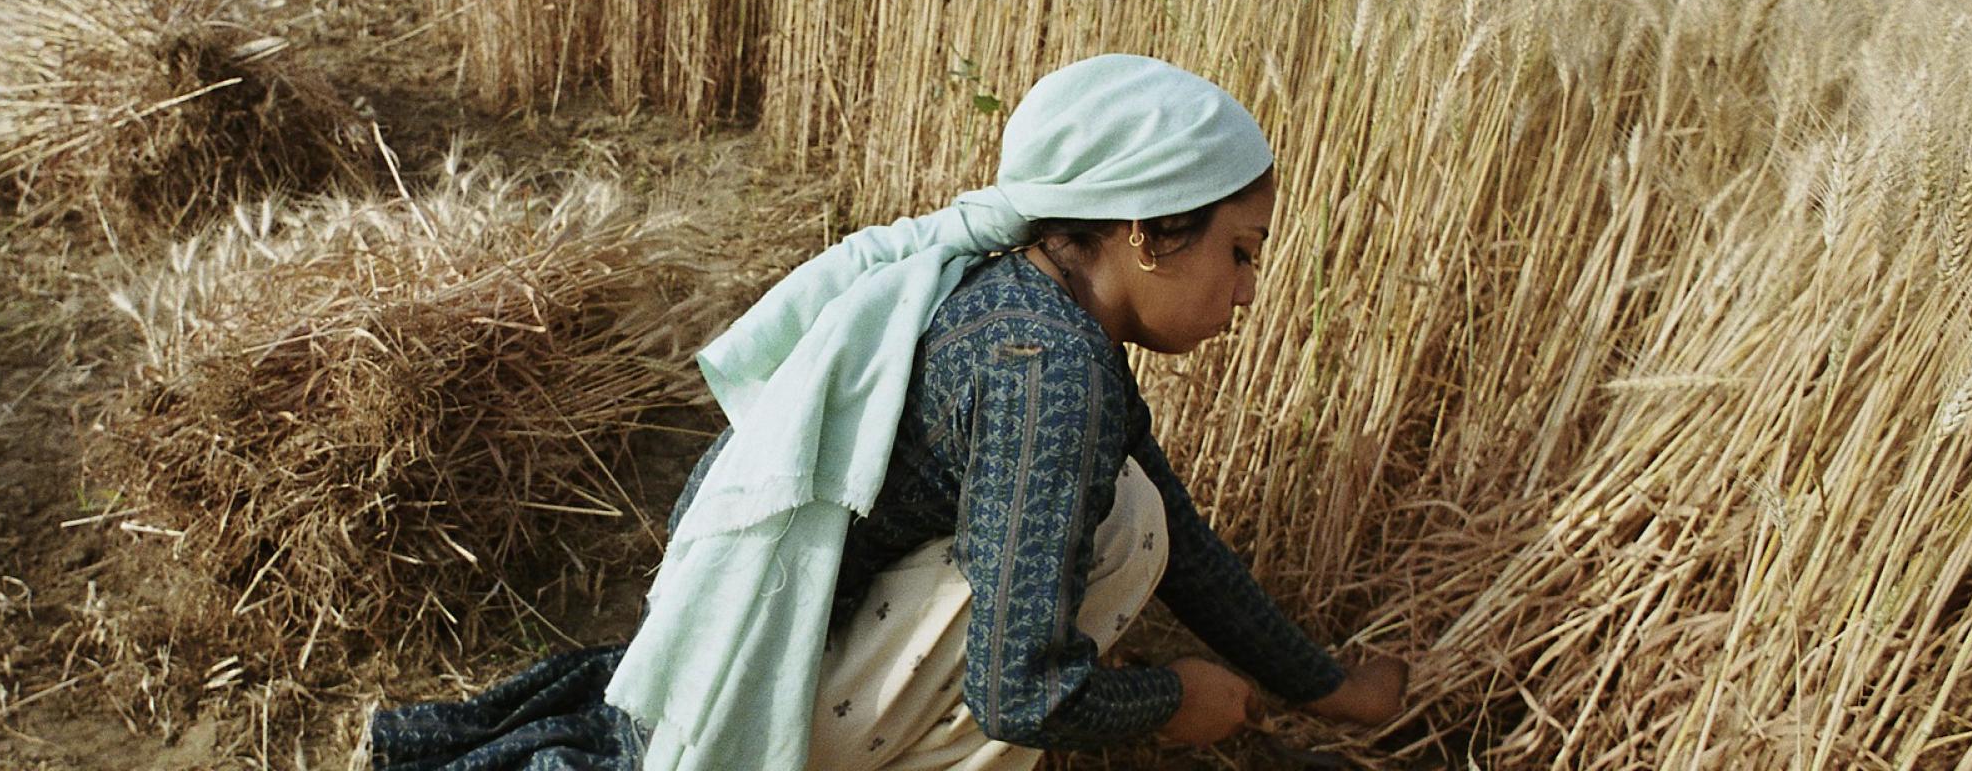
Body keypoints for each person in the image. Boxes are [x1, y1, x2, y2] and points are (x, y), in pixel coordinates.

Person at [371, 54, 1407, 771]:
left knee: (1134, 512)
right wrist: (1172, 700)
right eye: (1240, 249)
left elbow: (1183, 537)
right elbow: (1022, 693)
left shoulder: (1022, 294)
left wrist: (1320, 683)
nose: (1247, 290)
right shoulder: (1046, 368)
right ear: (1147, 230)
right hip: (779, 693)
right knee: (1118, 528)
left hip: (765, 633)